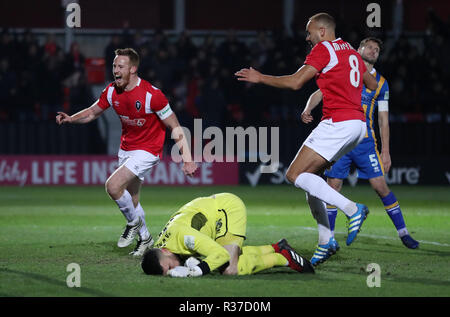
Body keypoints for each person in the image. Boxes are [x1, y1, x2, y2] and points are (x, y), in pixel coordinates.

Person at [235, 13, 378, 266]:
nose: (307, 37)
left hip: (338, 123)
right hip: (357, 125)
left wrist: (260, 78)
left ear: (323, 31)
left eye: (310, 32)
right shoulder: (351, 52)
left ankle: (352, 209)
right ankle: (326, 241)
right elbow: (370, 82)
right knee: (311, 179)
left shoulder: (324, 49)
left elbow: (295, 82)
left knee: (294, 175)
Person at [56, 48, 197, 256]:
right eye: (114, 66)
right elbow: (92, 112)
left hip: (148, 150)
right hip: (126, 149)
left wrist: (187, 159)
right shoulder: (112, 91)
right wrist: (71, 118)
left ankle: (132, 223)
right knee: (132, 200)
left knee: (113, 186)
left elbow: (175, 126)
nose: (115, 70)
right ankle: (146, 238)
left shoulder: (152, 95)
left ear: (133, 69)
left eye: (120, 66)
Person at [302, 38, 419, 249]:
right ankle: (328, 239)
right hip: (341, 139)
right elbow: (319, 92)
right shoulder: (343, 70)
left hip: (365, 143)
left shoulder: (381, 83)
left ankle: (404, 233)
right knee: (333, 187)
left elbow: (383, 119)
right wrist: (307, 108)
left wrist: (386, 151)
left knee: (380, 187)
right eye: (370, 47)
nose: (374, 51)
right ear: (358, 50)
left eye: (377, 50)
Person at [141, 193, 315, 277]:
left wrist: (194, 271)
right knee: (224, 259)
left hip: (227, 210)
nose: (173, 271)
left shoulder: (184, 237)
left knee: (231, 269)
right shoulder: (163, 247)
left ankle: (283, 257)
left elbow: (220, 255)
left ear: (165, 251)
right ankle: (276, 247)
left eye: (170, 267)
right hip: (212, 213)